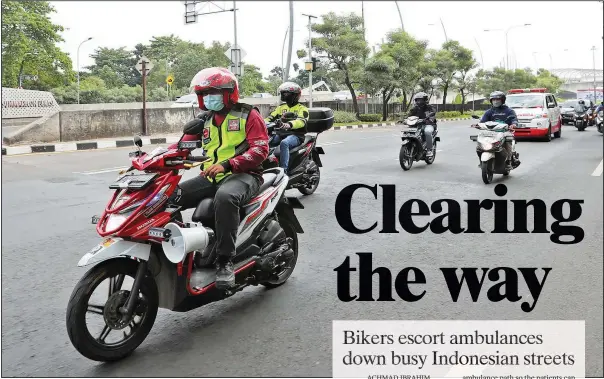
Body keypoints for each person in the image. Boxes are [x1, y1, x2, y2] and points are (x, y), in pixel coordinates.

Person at [167, 67, 269, 290]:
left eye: (213, 92)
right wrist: (156, 158)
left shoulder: (248, 115)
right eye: (204, 94)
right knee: (169, 196)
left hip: (244, 175)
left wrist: (228, 164)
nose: (208, 98)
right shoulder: (204, 119)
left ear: (229, 93)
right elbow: (181, 146)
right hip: (210, 176)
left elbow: (260, 150)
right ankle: (179, 248)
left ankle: (225, 261)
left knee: (225, 198)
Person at [264, 82, 309, 174]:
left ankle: (283, 171)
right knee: (265, 142)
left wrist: (288, 124)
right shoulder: (281, 108)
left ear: (295, 95)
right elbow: (270, 117)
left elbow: (301, 121)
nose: (285, 95)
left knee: (284, 143)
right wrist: (261, 123)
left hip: (296, 135)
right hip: (281, 134)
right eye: (283, 93)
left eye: (287, 93)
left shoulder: (302, 108)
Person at [474, 90, 518, 170]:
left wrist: (513, 124)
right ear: (491, 101)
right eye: (493, 100)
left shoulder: (509, 111)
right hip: (490, 132)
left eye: (497, 99)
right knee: (479, 146)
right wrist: (478, 125)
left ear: (502, 100)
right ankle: (481, 161)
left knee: (508, 142)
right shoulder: (489, 112)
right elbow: (482, 122)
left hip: (505, 132)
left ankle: (508, 161)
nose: (495, 101)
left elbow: (514, 119)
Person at [407, 92, 437, 158]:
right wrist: (404, 119)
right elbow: (409, 115)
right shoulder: (415, 108)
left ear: (425, 100)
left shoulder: (430, 107)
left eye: (420, 100)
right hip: (417, 125)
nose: (418, 102)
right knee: (408, 132)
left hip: (428, 124)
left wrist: (429, 119)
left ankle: (429, 150)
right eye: (417, 100)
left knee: (427, 132)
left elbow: (433, 114)